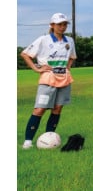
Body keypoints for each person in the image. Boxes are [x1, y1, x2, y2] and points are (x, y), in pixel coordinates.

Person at [20, 13, 77, 149]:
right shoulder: (43, 39)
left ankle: (48, 138)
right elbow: (25, 54)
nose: (62, 27)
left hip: (64, 78)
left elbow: (72, 57)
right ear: (52, 25)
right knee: (40, 109)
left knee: (57, 109)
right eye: (59, 24)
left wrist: (67, 68)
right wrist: (36, 68)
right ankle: (28, 141)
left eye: (64, 24)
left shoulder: (69, 41)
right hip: (48, 78)